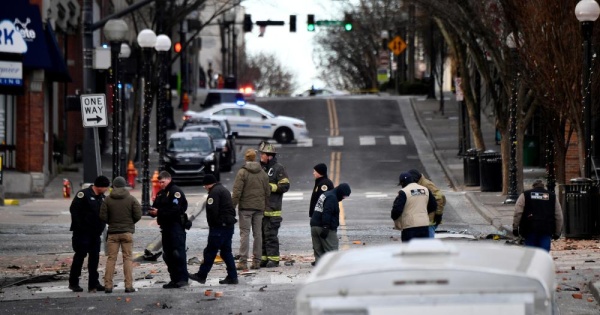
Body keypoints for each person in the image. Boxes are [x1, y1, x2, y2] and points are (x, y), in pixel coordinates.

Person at [189, 175, 239, 284]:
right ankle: (232, 276)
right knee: (226, 252)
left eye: (205, 186)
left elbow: (212, 212)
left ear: (208, 184)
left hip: (219, 227)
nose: (205, 188)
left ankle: (201, 275)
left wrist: (213, 226)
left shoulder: (214, 193)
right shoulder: (223, 190)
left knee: (210, 252)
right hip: (228, 225)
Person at [99, 176, 142, 294]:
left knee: (111, 259)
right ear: (124, 186)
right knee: (127, 258)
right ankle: (128, 285)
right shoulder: (131, 199)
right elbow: (138, 214)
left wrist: (111, 222)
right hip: (127, 233)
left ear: (114, 186)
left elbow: (103, 216)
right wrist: (129, 223)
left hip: (113, 233)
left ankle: (108, 285)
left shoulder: (107, 199)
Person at [68, 175, 110, 293]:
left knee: (94, 259)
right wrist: (79, 226)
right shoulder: (83, 194)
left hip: (95, 234)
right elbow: (74, 210)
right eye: (106, 187)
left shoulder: (102, 197)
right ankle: (73, 282)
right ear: (100, 187)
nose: (107, 189)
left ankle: (93, 283)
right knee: (80, 257)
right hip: (82, 233)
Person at [148, 171, 189, 289]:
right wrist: (152, 212)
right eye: (159, 182)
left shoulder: (175, 192)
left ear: (169, 179)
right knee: (168, 255)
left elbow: (175, 210)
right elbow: (155, 207)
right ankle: (174, 279)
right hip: (165, 228)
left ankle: (182, 278)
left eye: (163, 182)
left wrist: (159, 212)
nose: (161, 184)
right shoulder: (161, 194)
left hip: (176, 227)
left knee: (178, 254)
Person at [232, 149, 270, 270]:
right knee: (258, 234)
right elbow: (267, 191)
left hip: (245, 208)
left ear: (246, 158)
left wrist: (232, 206)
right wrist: (263, 204)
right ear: (255, 158)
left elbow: (237, 192)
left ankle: (243, 261)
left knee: (245, 234)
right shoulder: (263, 173)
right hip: (259, 207)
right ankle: (257, 261)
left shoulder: (242, 172)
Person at [258, 141, 290, 267]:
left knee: (271, 235)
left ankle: (274, 259)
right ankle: (264, 258)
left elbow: (285, 186)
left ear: (270, 155)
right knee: (261, 235)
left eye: (263, 154)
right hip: (260, 209)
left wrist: (269, 187)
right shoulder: (260, 168)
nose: (261, 156)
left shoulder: (278, 168)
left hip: (273, 209)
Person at [513, 179, 563, 252]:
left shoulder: (525, 195)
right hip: (546, 228)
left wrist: (515, 227)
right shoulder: (552, 196)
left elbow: (518, 212)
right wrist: (557, 232)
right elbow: (559, 216)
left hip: (529, 228)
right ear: (543, 187)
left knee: (530, 252)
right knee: (544, 252)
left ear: (533, 186)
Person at [310, 183, 351, 264]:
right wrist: (326, 227)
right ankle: (331, 270)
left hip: (314, 226)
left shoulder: (326, 194)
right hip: (324, 227)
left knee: (319, 252)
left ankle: (320, 269)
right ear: (340, 192)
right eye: (344, 196)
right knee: (332, 251)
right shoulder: (332, 198)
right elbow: (327, 212)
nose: (343, 198)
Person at [391, 172, 437, 242]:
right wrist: (423, 213)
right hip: (424, 224)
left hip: (409, 226)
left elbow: (396, 210)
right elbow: (433, 206)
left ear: (403, 183)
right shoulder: (425, 190)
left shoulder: (404, 192)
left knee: (409, 250)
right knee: (423, 249)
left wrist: (395, 218)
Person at [408, 169, 446, 238]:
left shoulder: (426, 184)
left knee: (428, 240)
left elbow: (440, 197)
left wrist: (438, 214)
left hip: (430, 218)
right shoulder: (418, 185)